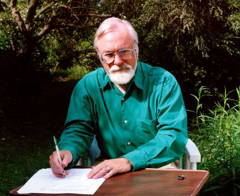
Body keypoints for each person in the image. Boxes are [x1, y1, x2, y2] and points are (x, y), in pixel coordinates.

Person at [49, 17, 188, 179]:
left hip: (157, 168)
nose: (118, 61)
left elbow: (173, 134)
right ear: (100, 57)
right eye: (108, 55)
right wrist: (68, 151)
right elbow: (79, 129)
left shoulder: (163, 82)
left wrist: (129, 160)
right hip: (108, 169)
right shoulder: (88, 86)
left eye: (124, 51)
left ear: (136, 50)